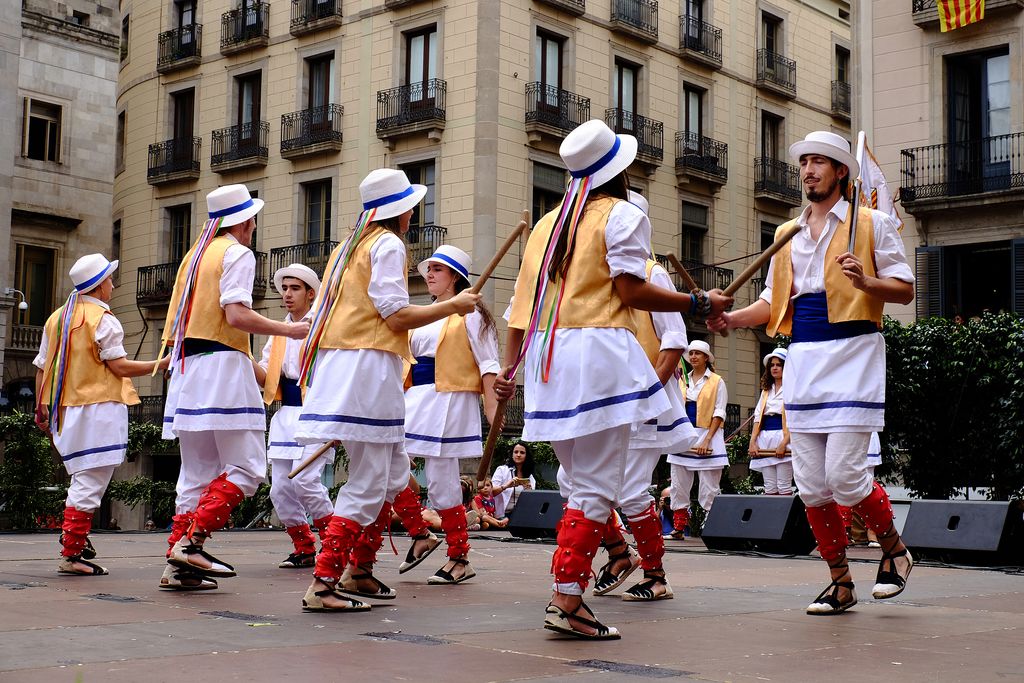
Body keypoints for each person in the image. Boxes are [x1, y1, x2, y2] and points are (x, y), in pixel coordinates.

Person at [495, 119, 731, 640]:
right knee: (598, 485)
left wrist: (511, 370)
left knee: (582, 484)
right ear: (620, 171)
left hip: (549, 361)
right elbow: (629, 290)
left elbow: (520, 311)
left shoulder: (546, 225)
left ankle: (573, 589)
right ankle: (568, 599)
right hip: (598, 356)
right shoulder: (621, 214)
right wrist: (698, 301)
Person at [707, 130, 915, 615]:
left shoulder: (872, 223)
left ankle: (895, 550)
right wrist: (731, 319)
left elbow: (904, 290)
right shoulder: (787, 233)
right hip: (803, 356)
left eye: (819, 162)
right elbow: (772, 302)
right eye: (804, 163)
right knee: (813, 485)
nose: (808, 171)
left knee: (845, 476)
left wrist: (867, 281)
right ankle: (840, 582)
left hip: (855, 352)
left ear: (840, 171)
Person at [295, 168, 479, 613]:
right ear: (405, 211)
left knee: (392, 473)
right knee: (369, 481)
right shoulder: (388, 243)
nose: (413, 215)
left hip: (342, 367)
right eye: (412, 208)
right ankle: (324, 582)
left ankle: (362, 569)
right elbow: (395, 316)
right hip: (369, 369)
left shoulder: (346, 246)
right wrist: (453, 306)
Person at [160, 184, 310, 591]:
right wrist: (288, 329)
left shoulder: (194, 256)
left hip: (188, 370)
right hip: (224, 366)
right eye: (253, 219)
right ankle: (192, 544)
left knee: (195, 475)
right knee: (245, 468)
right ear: (243, 221)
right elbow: (237, 314)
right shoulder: (236, 253)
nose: (254, 227)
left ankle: (177, 564)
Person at [33, 254, 167, 575]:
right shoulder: (103, 319)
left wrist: (42, 407)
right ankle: (72, 553)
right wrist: (159, 364)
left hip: (68, 413)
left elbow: (41, 367)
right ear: (99, 285)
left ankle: (75, 542)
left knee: (83, 481)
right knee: (90, 484)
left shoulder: (57, 318)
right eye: (110, 279)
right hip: (99, 412)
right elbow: (119, 367)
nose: (113, 284)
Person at [592, 213, 697, 602]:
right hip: (607, 398)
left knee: (633, 490)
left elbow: (673, 338)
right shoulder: (597, 276)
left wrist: (649, 392)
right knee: (578, 485)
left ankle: (656, 574)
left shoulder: (652, 274)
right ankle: (620, 554)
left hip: (644, 400)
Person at [400, 245, 500, 584]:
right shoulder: (425, 313)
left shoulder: (471, 314)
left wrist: (492, 412)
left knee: (443, 484)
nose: (428, 274)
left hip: (448, 401)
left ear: (455, 277)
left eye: (437, 270)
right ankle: (419, 532)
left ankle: (459, 557)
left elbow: (489, 365)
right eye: (428, 269)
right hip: (416, 398)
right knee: (387, 464)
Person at [253, 263, 334, 569]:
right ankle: (304, 546)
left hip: (316, 413)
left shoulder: (323, 328)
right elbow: (265, 377)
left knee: (307, 481)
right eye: (284, 288)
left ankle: (333, 544)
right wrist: (240, 354)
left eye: (295, 288)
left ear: (311, 294)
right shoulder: (277, 334)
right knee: (280, 488)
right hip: (286, 414)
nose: (287, 294)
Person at [665, 340, 728, 537]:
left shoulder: (717, 381)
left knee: (709, 486)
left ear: (706, 358)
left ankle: (712, 526)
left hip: (708, 434)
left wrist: (708, 440)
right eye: (691, 353)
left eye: (698, 353)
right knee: (678, 483)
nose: (693, 356)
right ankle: (679, 527)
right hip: (684, 434)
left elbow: (720, 412)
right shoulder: (681, 379)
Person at [748, 348, 793, 496]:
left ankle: (785, 518)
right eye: (772, 365)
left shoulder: (793, 388)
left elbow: (796, 420)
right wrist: (753, 441)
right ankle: (771, 519)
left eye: (779, 364)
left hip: (784, 438)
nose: (774, 367)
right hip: (765, 440)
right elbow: (757, 417)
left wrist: (784, 443)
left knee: (784, 485)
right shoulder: (766, 390)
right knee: (769, 487)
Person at [491, 441, 536, 518]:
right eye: (516, 452)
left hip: (521, 515)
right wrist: (506, 486)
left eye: (522, 452)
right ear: (512, 455)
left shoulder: (530, 476)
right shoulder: (502, 470)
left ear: (526, 456)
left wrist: (529, 492)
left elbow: (532, 501)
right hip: (502, 514)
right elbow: (491, 492)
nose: (518, 455)